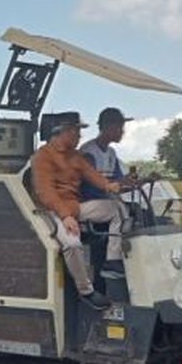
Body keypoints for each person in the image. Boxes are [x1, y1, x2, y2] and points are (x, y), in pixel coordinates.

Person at [31, 112, 122, 310]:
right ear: (62, 132)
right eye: (76, 131)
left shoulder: (74, 155)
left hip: (74, 207)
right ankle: (86, 291)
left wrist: (108, 186)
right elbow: (46, 193)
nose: (80, 136)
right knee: (72, 243)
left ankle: (112, 260)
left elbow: (90, 174)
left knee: (117, 210)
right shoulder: (42, 157)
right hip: (52, 211)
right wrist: (65, 217)